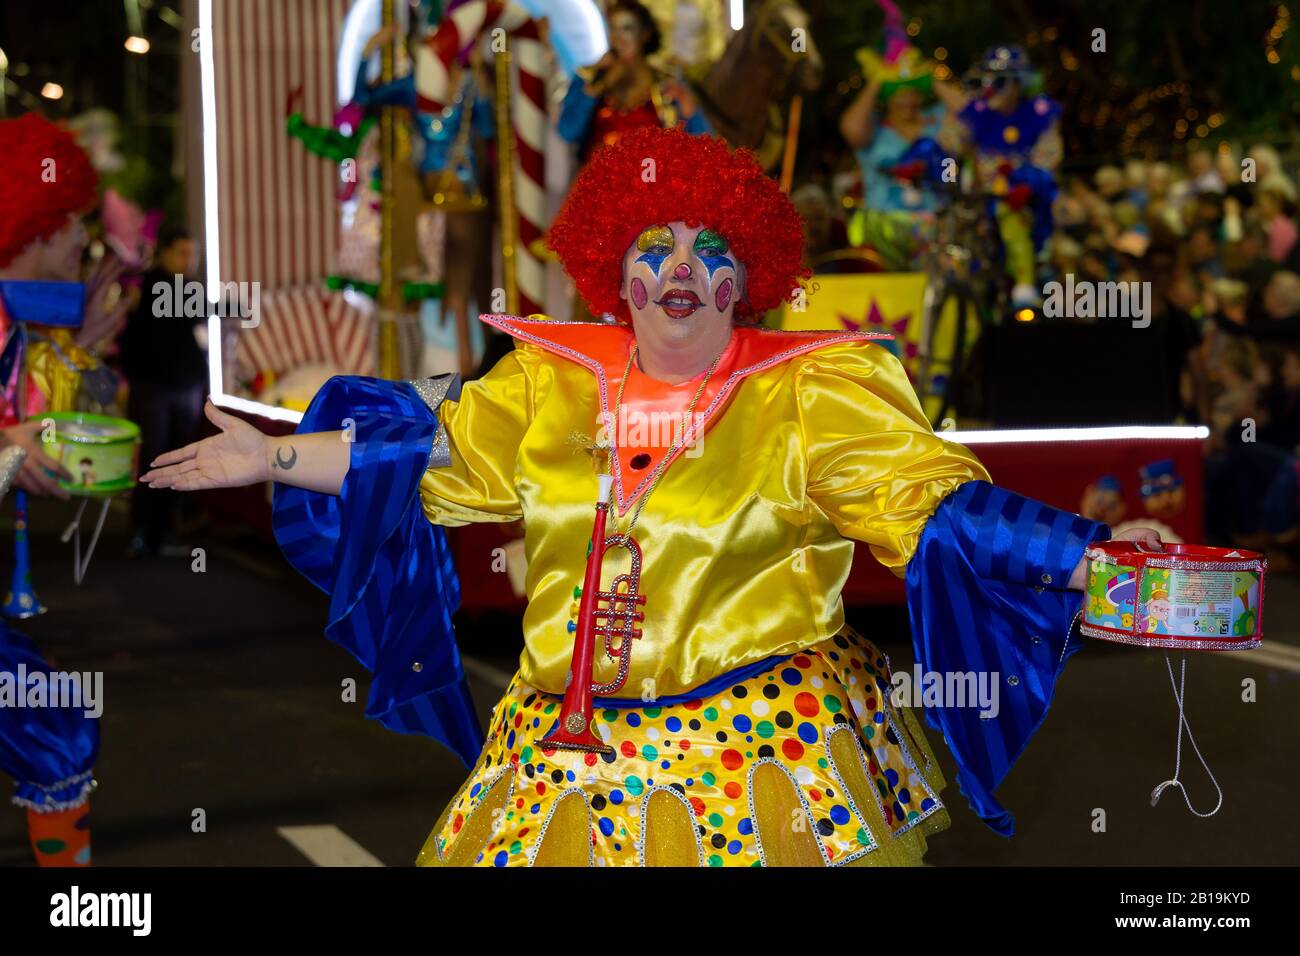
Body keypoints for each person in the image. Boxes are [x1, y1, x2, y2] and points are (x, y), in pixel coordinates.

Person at [144, 128, 1159, 866]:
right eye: (654, 246)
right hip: (561, 758)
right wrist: (273, 457)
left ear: (743, 277)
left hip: (760, 767)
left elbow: (937, 505)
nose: (680, 267)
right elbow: (424, 458)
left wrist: (1094, 556)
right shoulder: (545, 382)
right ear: (613, 270)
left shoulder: (806, 391)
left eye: (710, 249)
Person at [0, 112, 103, 866]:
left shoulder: (16, 328)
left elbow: (57, 438)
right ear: (31, 229)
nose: (81, 244)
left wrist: (89, 350)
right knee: (53, 723)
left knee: (52, 723)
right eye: (70, 225)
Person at [119, 228, 207, 559]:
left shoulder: (189, 289)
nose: (189, 261)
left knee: (178, 461)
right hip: (154, 388)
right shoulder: (150, 286)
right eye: (183, 253)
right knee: (152, 459)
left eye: (193, 254)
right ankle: (144, 532)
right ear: (166, 254)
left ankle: (164, 531)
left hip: (184, 387)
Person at [557, 0, 710, 163]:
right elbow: (567, 132)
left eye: (627, 29)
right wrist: (588, 93)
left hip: (650, 181)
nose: (618, 38)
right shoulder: (589, 78)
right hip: (600, 181)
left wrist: (688, 109)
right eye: (613, 29)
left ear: (645, 33)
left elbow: (702, 143)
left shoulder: (666, 83)